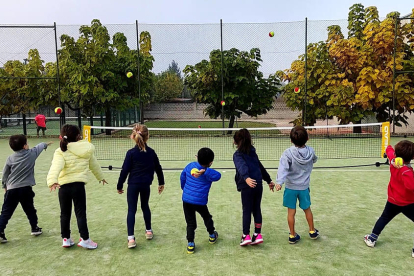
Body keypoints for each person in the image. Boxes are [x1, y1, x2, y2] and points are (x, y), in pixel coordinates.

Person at [47, 124, 107, 249]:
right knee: (80, 213)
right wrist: (100, 177)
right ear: (79, 136)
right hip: (78, 187)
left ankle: (66, 239)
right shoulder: (86, 149)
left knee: (65, 213)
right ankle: (85, 239)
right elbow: (94, 164)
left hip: (63, 188)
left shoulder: (60, 151)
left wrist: (52, 181)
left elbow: (55, 167)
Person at [117, 124, 165, 249]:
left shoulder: (131, 153)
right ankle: (148, 231)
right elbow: (158, 168)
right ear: (147, 136)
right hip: (145, 185)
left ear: (133, 136)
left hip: (133, 185)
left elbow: (125, 170)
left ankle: (131, 239)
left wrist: (119, 185)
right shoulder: (151, 153)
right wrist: (161, 182)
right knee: (145, 206)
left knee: (131, 210)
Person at [364, 141, 414, 257]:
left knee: (384, 218)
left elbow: (389, 149)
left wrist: (393, 151)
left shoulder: (392, 161)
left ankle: (372, 239)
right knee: (384, 217)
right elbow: (411, 187)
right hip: (408, 203)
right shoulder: (407, 172)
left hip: (392, 200)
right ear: (412, 157)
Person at [0, 135, 51, 243]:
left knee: (6, 212)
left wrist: (5, 186)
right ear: (24, 146)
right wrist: (46, 144)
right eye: (27, 143)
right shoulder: (32, 154)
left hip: (12, 190)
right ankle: (34, 228)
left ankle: (0, 232)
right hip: (26, 189)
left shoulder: (10, 158)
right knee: (30, 210)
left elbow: (5, 174)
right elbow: (40, 146)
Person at [275, 126, 319, 244]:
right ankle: (312, 231)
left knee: (291, 212)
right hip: (304, 188)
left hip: (290, 188)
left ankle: (292, 235)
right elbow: (314, 160)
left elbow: (283, 168)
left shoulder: (287, 153)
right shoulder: (311, 151)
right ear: (307, 138)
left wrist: (279, 182)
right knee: (307, 209)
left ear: (291, 140)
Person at [233, 129, 275, 246]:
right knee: (256, 208)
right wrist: (268, 180)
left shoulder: (237, 155)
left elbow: (241, 166)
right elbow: (260, 167)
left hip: (248, 186)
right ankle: (257, 234)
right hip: (258, 185)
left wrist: (246, 178)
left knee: (247, 210)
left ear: (236, 142)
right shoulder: (253, 152)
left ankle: (245, 235)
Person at [180, 147, 221, 254]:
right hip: (200, 202)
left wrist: (184, 190)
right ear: (210, 162)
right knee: (207, 217)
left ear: (197, 157)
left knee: (190, 223)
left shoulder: (190, 166)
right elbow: (218, 176)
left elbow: (182, 177)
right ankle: (212, 235)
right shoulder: (209, 173)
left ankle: (190, 244)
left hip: (186, 200)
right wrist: (206, 172)